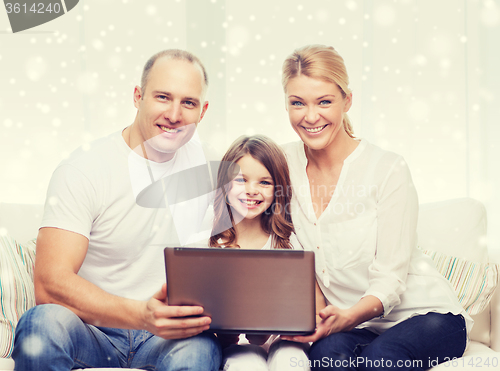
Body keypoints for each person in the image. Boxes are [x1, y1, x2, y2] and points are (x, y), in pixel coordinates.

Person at [12, 49, 222, 371]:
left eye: (189, 103)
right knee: (41, 323)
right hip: (93, 329)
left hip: (168, 337)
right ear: (138, 96)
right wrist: (141, 315)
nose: (175, 114)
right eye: (163, 97)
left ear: (203, 111)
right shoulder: (84, 168)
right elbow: (49, 284)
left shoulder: (213, 172)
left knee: (200, 350)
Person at [279, 45, 472, 371]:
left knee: (380, 361)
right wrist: (318, 318)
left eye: (324, 101)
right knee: (328, 361)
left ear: (347, 101)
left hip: (426, 315)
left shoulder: (387, 169)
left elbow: (390, 279)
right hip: (351, 323)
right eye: (298, 103)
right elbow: (291, 252)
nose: (310, 117)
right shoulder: (281, 165)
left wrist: (348, 316)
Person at [209, 135, 326, 371]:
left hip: (283, 341)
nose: (252, 191)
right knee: (246, 364)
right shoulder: (212, 244)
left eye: (264, 182)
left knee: (290, 361)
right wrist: (224, 334)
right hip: (237, 346)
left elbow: (318, 311)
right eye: (241, 180)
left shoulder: (288, 242)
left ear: (278, 190)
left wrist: (276, 327)